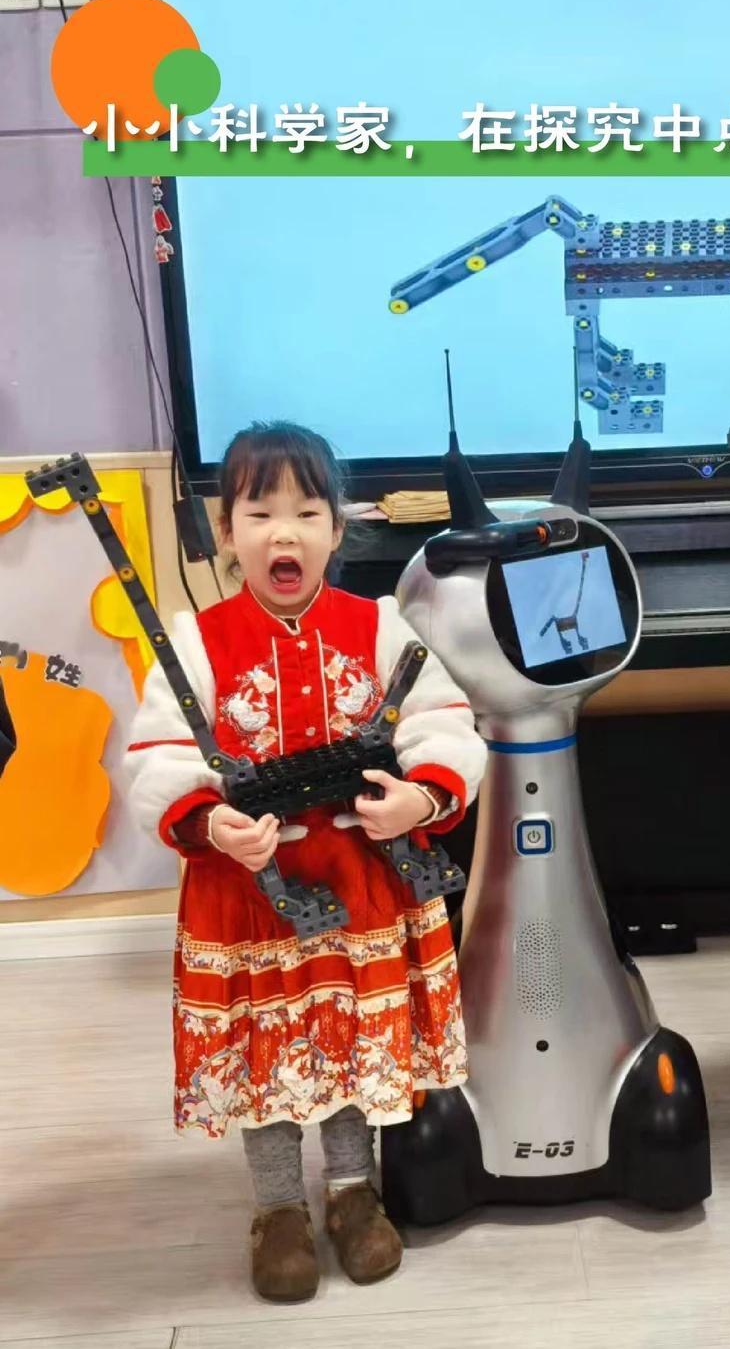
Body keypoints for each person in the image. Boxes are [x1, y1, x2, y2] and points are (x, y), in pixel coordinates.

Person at [125, 422, 486, 1301]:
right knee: (269, 1047)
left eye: (305, 512)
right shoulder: (197, 642)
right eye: (259, 513)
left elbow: (444, 722)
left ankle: (354, 1190)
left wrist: (421, 797)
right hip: (251, 891)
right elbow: (159, 756)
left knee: (354, 1035)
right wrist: (211, 822)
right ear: (226, 530)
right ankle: (278, 1206)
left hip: (362, 879)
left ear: (337, 527)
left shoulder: (379, 627)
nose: (282, 533)